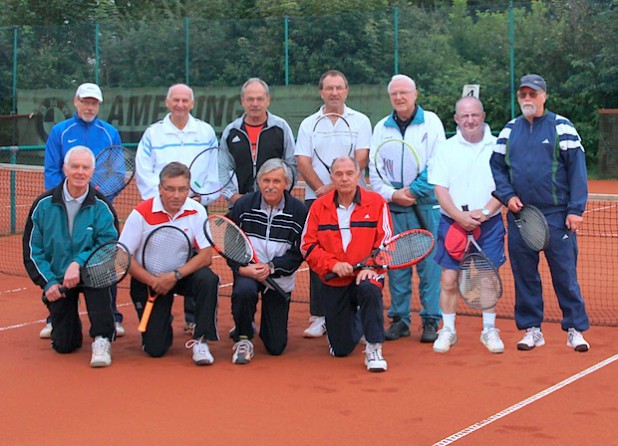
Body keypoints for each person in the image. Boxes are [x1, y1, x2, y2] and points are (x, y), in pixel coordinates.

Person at [490, 74, 590, 352]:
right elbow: (497, 167)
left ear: (544, 96)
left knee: (565, 275)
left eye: (532, 94)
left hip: (558, 216)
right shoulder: (509, 130)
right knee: (525, 276)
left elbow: (577, 170)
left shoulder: (562, 127)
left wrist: (575, 210)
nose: (527, 99)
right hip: (520, 216)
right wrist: (508, 196)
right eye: (523, 95)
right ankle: (532, 329)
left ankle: (575, 329)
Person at [42, 82, 125, 338]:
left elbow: (118, 172)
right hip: (64, 206)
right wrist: (63, 199)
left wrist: (100, 195)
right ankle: (55, 315)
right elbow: (52, 169)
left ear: (99, 105)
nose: (89, 106)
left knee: (103, 259)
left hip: (100, 207)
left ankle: (113, 316)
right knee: (61, 258)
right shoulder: (60, 131)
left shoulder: (110, 132)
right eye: (85, 101)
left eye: (94, 102)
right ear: (76, 102)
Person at [135, 83, 219, 336]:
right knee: (162, 262)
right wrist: (165, 199)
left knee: (198, 264)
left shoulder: (205, 132)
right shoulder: (153, 133)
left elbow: (214, 170)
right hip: (161, 213)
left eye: (185, 100)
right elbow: (144, 171)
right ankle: (161, 313)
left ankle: (194, 319)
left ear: (192, 104)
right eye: (176, 100)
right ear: (167, 102)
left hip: (196, 210)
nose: (180, 104)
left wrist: (199, 195)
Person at [24, 146, 119, 368]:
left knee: (100, 279)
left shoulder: (103, 206)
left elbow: (108, 246)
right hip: (58, 278)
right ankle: (60, 316)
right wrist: (48, 283)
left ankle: (103, 338)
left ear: (92, 171)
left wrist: (78, 263)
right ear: (65, 168)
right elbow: (33, 250)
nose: (79, 172)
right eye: (74, 166)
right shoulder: (42, 205)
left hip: (92, 272)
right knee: (65, 345)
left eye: (85, 167)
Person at [295, 70, 373, 338]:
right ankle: (318, 316)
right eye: (329, 88)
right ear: (321, 92)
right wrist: (321, 188)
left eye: (339, 87)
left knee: (355, 253)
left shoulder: (361, 121)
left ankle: (356, 312)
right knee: (318, 257)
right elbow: (302, 161)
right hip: (316, 199)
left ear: (346, 90)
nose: (334, 93)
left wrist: (339, 183)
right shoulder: (308, 124)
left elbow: (361, 158)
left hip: (353, 198)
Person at [119, 162, 220, 364]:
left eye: (182, 189)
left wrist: (175, 276)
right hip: (149, 280)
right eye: (170, 189)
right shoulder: (141, 213)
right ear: (160, 189)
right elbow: (123, 257)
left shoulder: (197, 210)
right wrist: (153, 281)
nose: (176, 195)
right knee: (155, 349)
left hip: (180, 274)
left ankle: (201, 340)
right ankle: (162, 319)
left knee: (208, 280)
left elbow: (206, 255)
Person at [369, 74, 444, 343]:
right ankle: (400, 320)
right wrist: (393, 194)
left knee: (430, 268)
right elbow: (374, 170)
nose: (399, 98)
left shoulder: (432, 122)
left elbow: (437, 164)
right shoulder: (381, 127)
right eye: (394, 94)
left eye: (404, 92)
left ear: (415, 94)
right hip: (394, 208)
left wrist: (412, 192)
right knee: (397, 266)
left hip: (427, 207)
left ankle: (431, 321)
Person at [300, 156, 394, 372]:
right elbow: (307, 245)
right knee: (340, 349)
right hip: (335, 280)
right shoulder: (318, 207)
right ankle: (357, 319)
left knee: (370, 288)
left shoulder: (377, 202)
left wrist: (370, 266)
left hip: (366, 275)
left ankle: (374, 347)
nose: (344, 179)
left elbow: (387, 244)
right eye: (339, 174)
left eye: (349, 173)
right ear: (332, 177)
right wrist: (332, 265)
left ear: (358, 176)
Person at [428, 96, 506, 354]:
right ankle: (448, 330)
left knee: (486, 280)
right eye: (465, 116)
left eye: (475, 115)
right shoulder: (445, 148)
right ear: (456, 119)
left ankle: (489, 330)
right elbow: (440, 188)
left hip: (489, 224)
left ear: (483, 116)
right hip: (453, 223)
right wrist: (459, 217)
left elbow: (503, 188)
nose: (470, 120)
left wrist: (484, 212)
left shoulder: (498, 147)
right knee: (449, 281)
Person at [226, 159, 307, 364]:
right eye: (266, 180)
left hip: (278, 278)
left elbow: (299, 253)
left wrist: (271, 267)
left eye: (276, 181)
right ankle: (244, 336)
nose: (270, 186)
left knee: (275, 346)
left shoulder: (299, 211)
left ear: (287, 184)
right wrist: (241, 269)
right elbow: (229, 241)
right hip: (249, 271)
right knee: (244, 291)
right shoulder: (243, 205)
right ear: (259, 182)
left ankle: (263, 328)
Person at [219, 78, 297, 206]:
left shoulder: (281, 128)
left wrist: (278, 194)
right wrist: (233, 196)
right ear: (242, 101)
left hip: (276, 204)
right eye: (250, 99)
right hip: (241, 205)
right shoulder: (231, 131)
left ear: (268, 100)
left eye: (260, 99)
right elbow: (222, 168)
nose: (255, 103)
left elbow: (291, 165)